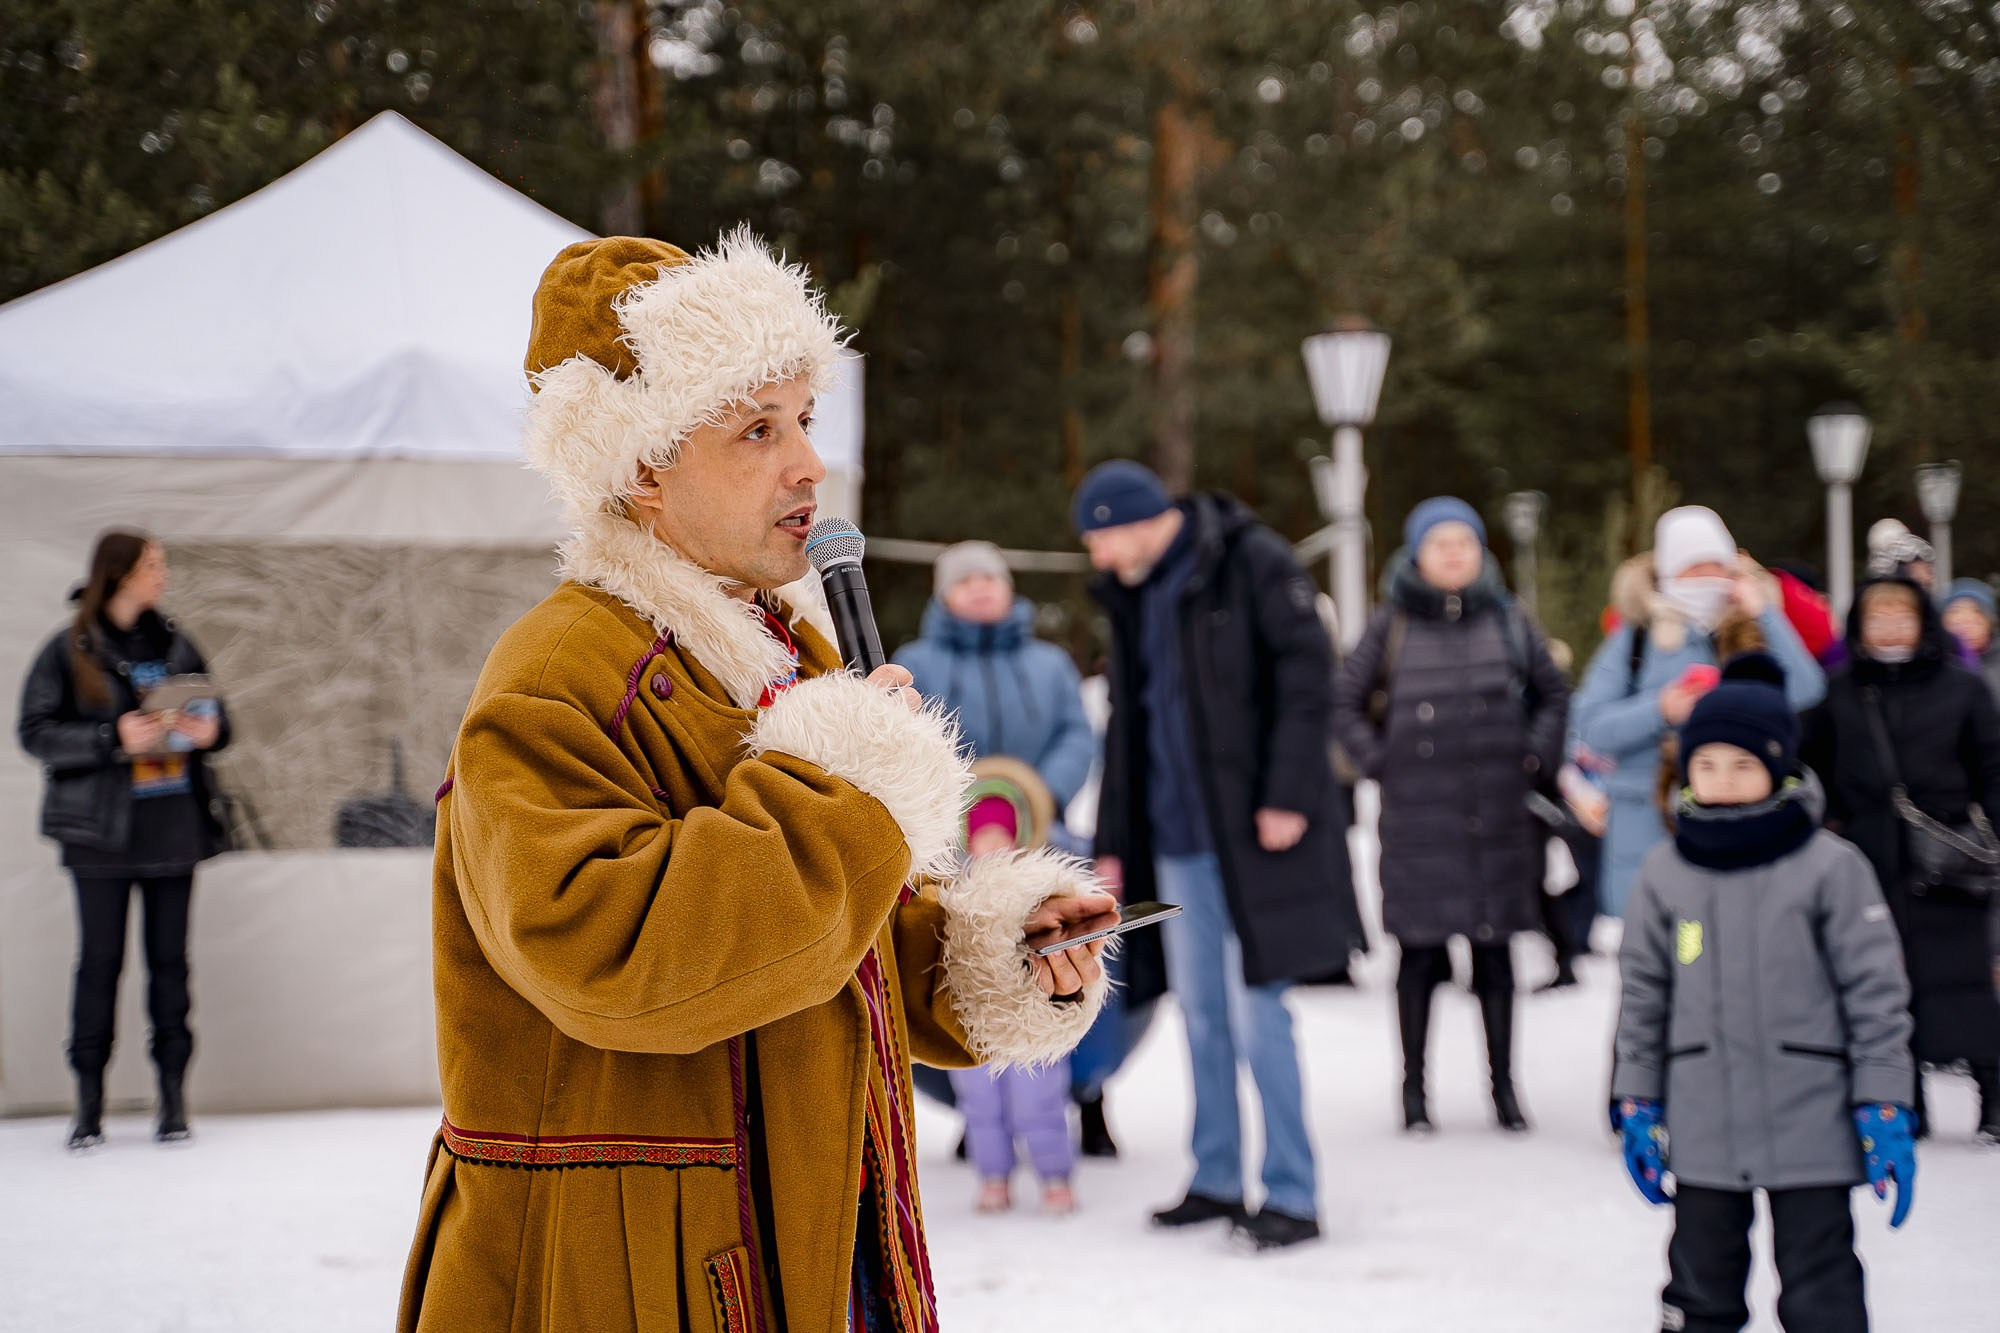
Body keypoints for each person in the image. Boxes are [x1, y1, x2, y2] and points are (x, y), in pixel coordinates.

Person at [397, 232, 1116, 1333]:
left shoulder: (781, 653)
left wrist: (993, 953)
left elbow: (830, 938)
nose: (808, 466)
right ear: (640, 470)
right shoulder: (555, 677)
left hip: (813, 1238)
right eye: (755, 428)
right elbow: (619, 958)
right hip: (629, 1278)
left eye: (804, 421)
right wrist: (844, 790)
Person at [1078, 459, 1366, 1252]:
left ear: (1133, 521)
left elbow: (1311, 679)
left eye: (1099, 539)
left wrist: (1287, 795)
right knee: (1202, 1015)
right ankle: (1214, 1177)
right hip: (1175, 838)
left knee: (1258, 1011)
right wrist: (1112, 843)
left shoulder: (1252, 560)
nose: (1097, 559)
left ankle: (1293, 1192)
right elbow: (1128, 728)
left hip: (1254, 837)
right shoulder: (1136, 594)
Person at [1613, 652, 1915, 1333]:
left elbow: (1875, 994)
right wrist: (1636, 1093)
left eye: (1743, 765)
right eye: (1707, 765)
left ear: (1779, 768)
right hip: (1703, 1125)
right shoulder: (1666, 875)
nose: (1722, 782)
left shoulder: (1830, 868)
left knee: (1821, 1289)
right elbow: (1645, 993)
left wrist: (1885, 1099)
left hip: (1811, 1116)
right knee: (1699, 1287)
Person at [1333, 498, 1571, 1133]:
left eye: (1464, 542)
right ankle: (1413, 1093)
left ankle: (1505, 1091)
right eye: (1440, 544)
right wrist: (1381, 762)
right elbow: (1345, 702)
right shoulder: (1392, 625)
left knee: (1495, 957)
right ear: (1417, 555)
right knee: (1418, 958)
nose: (1454, 554)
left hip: (1496, 816)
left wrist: (1533, 757)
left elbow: (1553, 694)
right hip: (1419, 823)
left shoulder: (1510, 619)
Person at [894, 543, 1096, 1211]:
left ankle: (1074, 1118)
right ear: (944, 592)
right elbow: (906, 738)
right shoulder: (919, 663)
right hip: (955, 858)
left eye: (990, 579)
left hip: (1043, 848)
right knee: (962, 981)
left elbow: (1074, 733)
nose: (980, 589)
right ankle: (982, 1137)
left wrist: (1040, 795)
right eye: (966, 580)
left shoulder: (1049, 662)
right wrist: (958, 813)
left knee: (1060, 974)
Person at [17, 531, 231, 1151]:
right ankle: (89, 1107)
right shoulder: (68, 650)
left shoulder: (177, 642)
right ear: (120, 574)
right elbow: (34, 732)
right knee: (100, 966)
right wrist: (115, 739)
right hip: (100, 840)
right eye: (153, 564)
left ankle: (172, 1102)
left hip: (173, 832)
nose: (163, 574)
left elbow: (223, 726)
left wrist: (203, 730)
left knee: (170, 967)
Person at [1802, 576, 2000, 1145]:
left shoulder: (1963, 688)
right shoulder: (1841, 691)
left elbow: (1991, 766)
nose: (1889, 628)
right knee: (1886, 983)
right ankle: (1903, 1100)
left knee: (1965, 985)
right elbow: (1809, 758)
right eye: (1877, 617)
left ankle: (1993, 1098)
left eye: (1901, 616)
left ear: (1923, 623)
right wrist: (1836, 818)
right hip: (1868, 860)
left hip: (1949, 858)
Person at [1570, 506, 1826, 918]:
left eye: (1717, 566)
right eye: (1694, 567)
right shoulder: (1636, 637)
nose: (1708, 577)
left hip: (1745, 815)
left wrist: (1766, 614)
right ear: (1669, 572)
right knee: (1666, 950)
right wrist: (1661, 708)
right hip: (1648, 826)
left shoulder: (1753, 629)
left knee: (1738, 938)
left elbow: (1805, 690)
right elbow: (1591, 726)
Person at [1941, 578, 2000, 701]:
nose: (1966, 630)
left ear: (1989, 624)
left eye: (1974, 622)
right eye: (1958, 623)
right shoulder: (1933, 664)